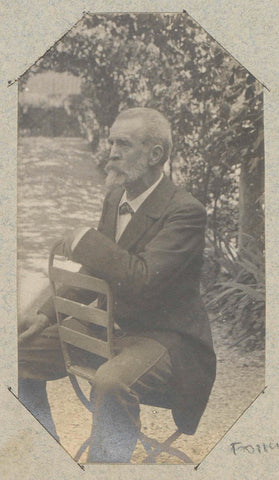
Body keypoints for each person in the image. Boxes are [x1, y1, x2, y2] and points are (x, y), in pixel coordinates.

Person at [18, 107, 216, 463]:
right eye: (111, 142)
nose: (111, 151)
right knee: (18, 351)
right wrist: (45, 315)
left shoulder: (186, 211)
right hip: (112, 329)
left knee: (112, 381)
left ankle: (105, 467)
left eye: (123, 143)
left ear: (156, 155)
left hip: (168, 340)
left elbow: (141, 278)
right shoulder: (115, 198)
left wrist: (84, 239)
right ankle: (44, 460)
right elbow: (98, 273)